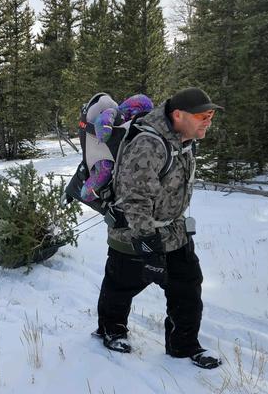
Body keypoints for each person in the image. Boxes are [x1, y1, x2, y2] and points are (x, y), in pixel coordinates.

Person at [95, 87, 224, 369]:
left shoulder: (184, 140)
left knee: (188, 287)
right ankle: (110, 330)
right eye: (203, 115)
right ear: (178, 115)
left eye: (211, 115)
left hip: (174, 233)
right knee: (121, 286)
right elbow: (134, 198)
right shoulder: (148, 145)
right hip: (133, 234)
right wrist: (148, 244)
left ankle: (184, 345)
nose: (208, 121)